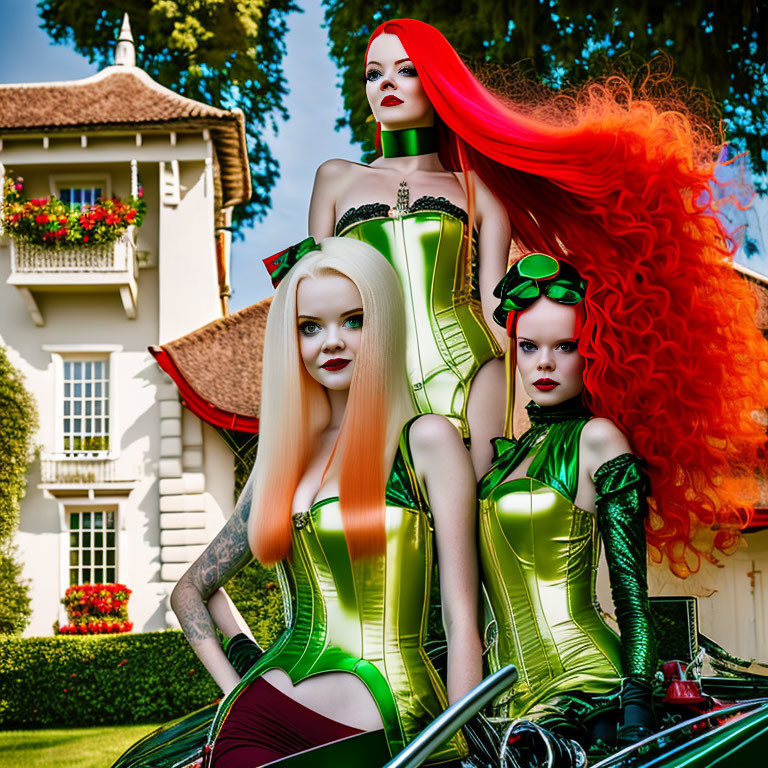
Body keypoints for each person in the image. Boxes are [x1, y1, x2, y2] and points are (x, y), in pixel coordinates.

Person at [309, 17, 764, 486]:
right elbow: (314, 300)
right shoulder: (335, 179)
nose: (387, 82)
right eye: (373, 73)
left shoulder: (477, 189)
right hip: (366, 375)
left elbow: (494, 307)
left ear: (438, 84)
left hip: (469, 376)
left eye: (406, 70)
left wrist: (583, 341)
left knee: (470, 526)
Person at [170, 237, 482, 767]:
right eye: (309, 327)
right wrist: (235, 689)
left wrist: (468, 737)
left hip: (386, 726)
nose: (330, 342)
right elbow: (189, 592)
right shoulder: (280, 462)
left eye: (353, 321)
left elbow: (461, 617)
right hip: (253, 720)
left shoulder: (425, 442)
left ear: (383, 324)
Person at [477, 252, 768, 760]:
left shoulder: (599, 441)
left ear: (591, 352)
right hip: (507, 704)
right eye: (529, 347)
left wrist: (635, 708)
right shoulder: (503, 458)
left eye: (565, 346)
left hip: (589, 696)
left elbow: (632, 598)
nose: (544, 362)